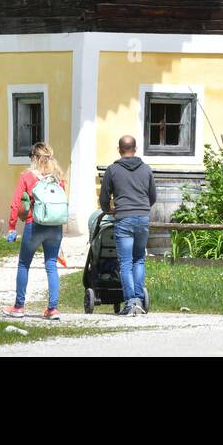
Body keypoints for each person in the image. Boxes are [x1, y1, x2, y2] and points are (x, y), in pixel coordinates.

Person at [3, 141, 68, 320]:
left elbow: (16, 203)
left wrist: (11, 227)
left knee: (24, 264)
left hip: (35, 224)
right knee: (51, 264)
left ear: (34, 158)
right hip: (55, 227)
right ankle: (52, 309)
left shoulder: (27, 176)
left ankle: (19, 307)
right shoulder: (58, 177)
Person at [99, 134, 157, 315]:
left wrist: (109, 210)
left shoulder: (112, 170)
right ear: (136, 148)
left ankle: (131, 302)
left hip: (123, 217)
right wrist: (142, 208)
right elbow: (152, 196)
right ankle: (139, 299)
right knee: (139, 258)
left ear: (119, 149)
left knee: (125, 262)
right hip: (142, 217)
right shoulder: (146, 169)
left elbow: (103, 198)